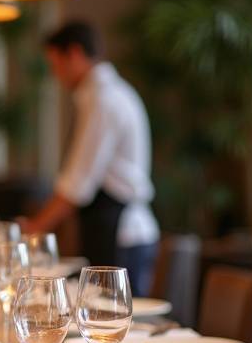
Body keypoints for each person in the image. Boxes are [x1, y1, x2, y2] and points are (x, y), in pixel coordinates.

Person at [20, 21, 159, 295]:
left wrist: (34, 229)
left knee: (114, 328)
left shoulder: (104, 99)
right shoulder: (103, 95)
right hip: (111, 227)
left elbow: (78, 184)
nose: (55, 74)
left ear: (74, 53)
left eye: (55, 64)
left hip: (123, 235)